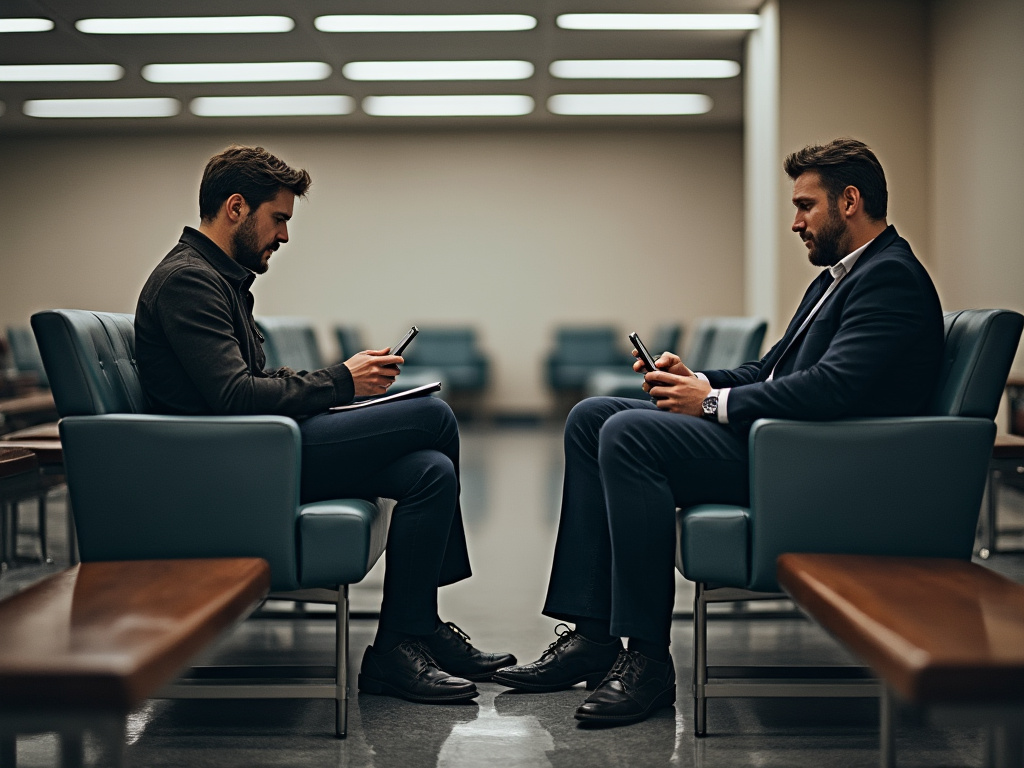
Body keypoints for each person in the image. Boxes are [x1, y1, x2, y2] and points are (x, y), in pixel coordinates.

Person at [493, 138, 944, 725]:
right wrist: (696, 380)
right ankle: (594, 636)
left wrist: (710, 405)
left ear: (850, 200)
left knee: (628, 435)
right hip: (786, 443)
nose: (795, 222)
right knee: (592, 418)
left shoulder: (890, 279)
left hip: (822, 465)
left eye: (806, 206)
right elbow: (772, 371)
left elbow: (833, 389)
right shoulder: (839, 277)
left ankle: (648, 661)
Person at [135, 144, 514, 705]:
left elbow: (244, 383)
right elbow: (236, 396)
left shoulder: (218, 278)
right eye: (279, 218)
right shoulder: (189, 282)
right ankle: (417, 629)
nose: (284, 236)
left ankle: (406, 637)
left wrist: (337, 384)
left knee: (429, 471)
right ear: (236, 207)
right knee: (432, 415)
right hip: (230, 465)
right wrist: (341, 381)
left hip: (253, 449)